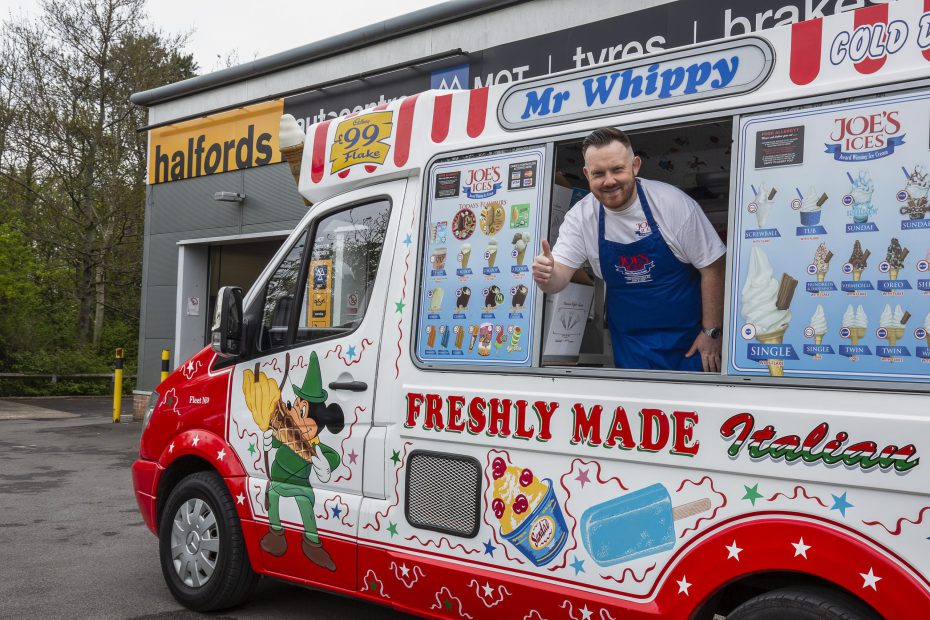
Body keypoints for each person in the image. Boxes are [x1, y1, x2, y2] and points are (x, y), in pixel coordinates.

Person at [533, 127, 725, 372]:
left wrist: (711, 333)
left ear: (635, 166)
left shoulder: (672, 204)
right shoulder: (581, 217)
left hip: (690, 345)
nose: (609, 180)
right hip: (630, 346)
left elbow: (714, 267)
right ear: (586, 174)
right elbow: (558, 278)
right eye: (598, 173)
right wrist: (546, 276)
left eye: (617, 169)